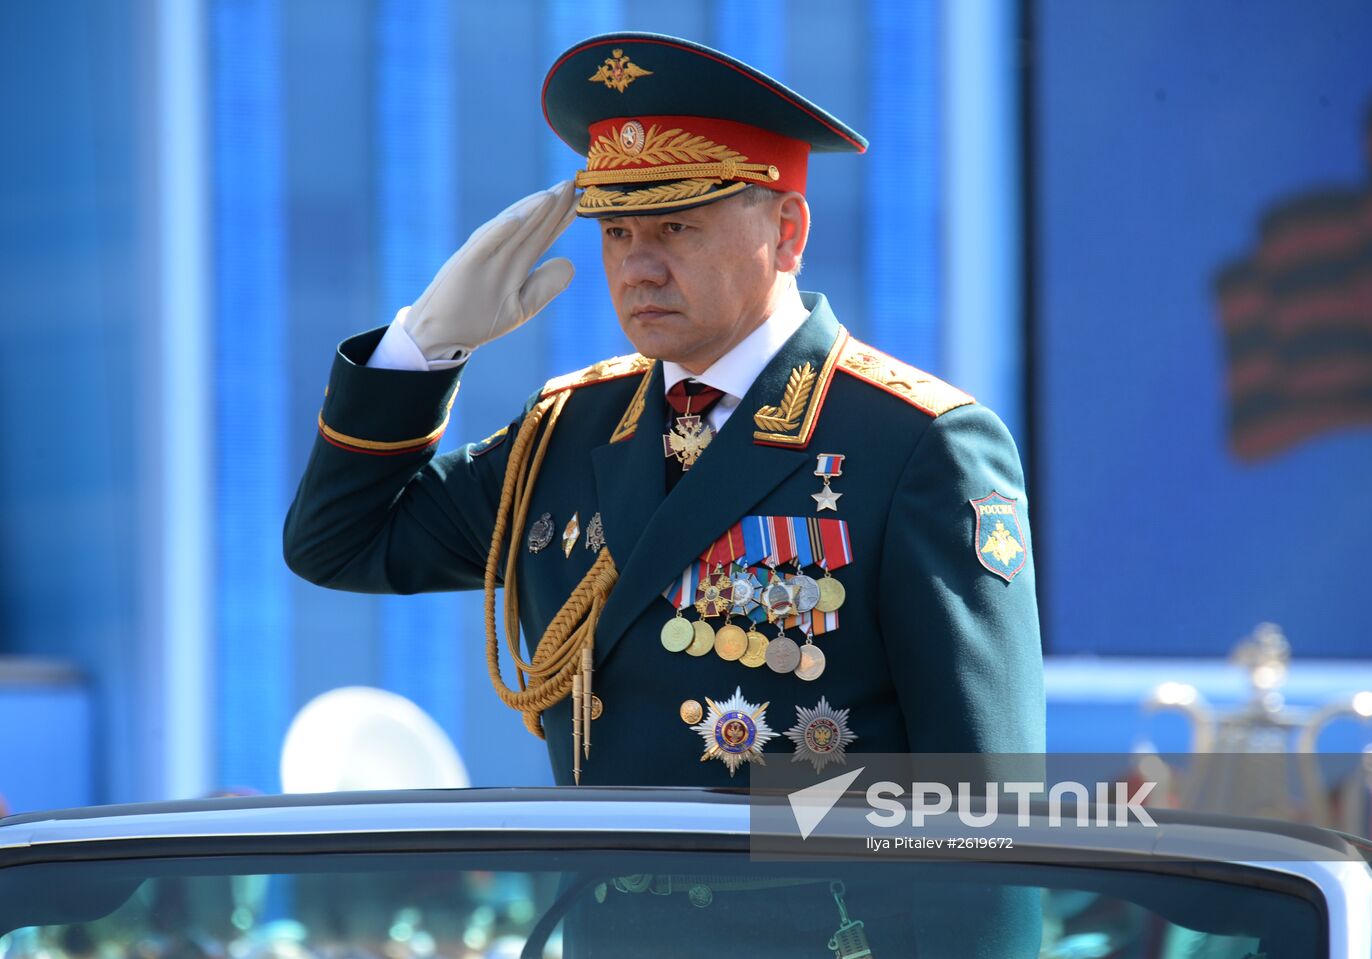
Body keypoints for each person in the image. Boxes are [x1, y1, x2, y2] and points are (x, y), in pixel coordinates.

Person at [284, 32, 1045, 791]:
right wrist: (421, 349)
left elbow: (986, 803)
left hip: (814, 909)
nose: (638, 268)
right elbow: (338, 542)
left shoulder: (914, 445)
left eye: (676, 227)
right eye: (617, 232)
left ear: (787, 233)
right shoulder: (567, 431)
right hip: (603, 909)